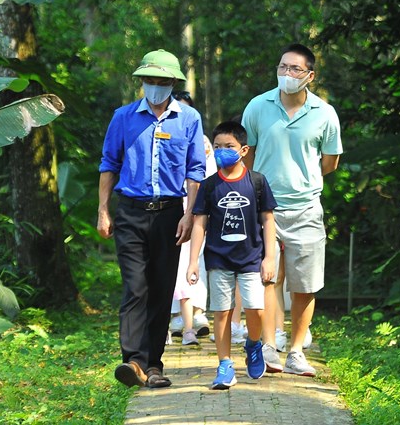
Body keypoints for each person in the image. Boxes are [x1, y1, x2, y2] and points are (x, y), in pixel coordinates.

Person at [97, 49, 206, 389]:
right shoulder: (124, 117)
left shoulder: (188, 119)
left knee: (160, 291)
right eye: (149, 81)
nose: (155, 88)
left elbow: (195, 171)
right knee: (135, 287)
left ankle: (154, 365)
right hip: (130, 211)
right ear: (141, 83)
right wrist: (103, 210)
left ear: (173, 84)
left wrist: (189, 215)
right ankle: (133, 360)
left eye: (162, 82)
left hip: (171, 214)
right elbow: (109, 163)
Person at [241, 43, 342, 377]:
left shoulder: (325, 114)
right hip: (264, 209)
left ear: (310, 75)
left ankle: (297, 351)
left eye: (295, 69)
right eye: (282, 67)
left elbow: (329, 163)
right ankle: (269, 347)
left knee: (305, 284)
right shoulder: (257, 107)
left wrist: (302, 178)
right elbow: (247, 155)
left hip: (307, 208)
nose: (287, 74)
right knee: (267, 278)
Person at [187, 120, 277, 389]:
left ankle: (253, 344)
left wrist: (269, 257)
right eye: (217, 147)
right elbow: (200, 224)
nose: (222, 151)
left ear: (244, 149)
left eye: (229, 146)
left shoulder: (257, 182)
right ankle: (225, 364)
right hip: (218, 258)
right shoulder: (209, 185)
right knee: (222, 312)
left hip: (251, 257)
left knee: (256, 310)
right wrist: (193, 261)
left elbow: (268, 221)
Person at [168, 90, 215, 346]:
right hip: (170, 205)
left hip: (196, 209)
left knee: (196, 261)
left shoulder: (203, 140)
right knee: (173, 260)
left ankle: (198, 312)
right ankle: (176, 313)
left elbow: (207, 174)